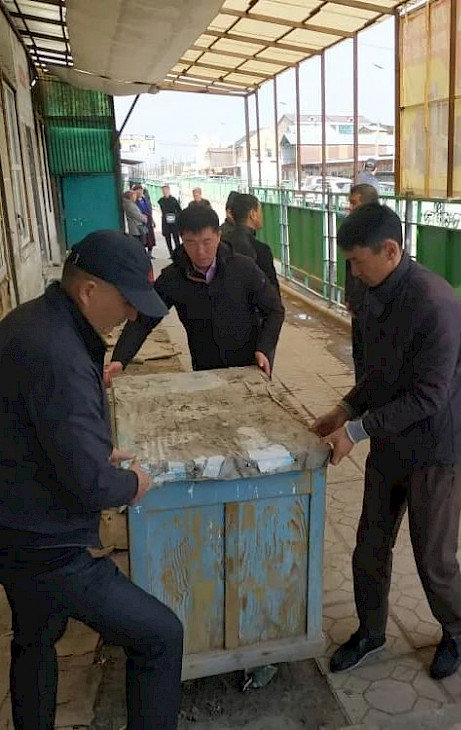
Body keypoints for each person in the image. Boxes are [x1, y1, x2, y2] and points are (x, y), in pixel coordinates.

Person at [0, 230, 183, 729]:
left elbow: (37, 426)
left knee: (35, 637)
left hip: (14, 525)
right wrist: (131, 483)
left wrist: (93, 449)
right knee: (160, 635)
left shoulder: (32, 321)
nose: (131, 314)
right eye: (126, 301)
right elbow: (94, 485)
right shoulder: (58, 353)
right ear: (88, 291)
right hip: (46, 548)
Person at [312, 203, 461, 681]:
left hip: (434, 452)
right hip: (389, 444)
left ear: (391, 250)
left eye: (358, 262)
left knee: (434, 558)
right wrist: (345, 409)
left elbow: (428, 396)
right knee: (370, 547)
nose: (352, 273)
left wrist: (355, 432)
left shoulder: (436, 305)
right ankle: (370, 632)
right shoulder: (369, 293)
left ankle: (455, 632)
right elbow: (377, 374)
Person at [108, 205, 284, 378]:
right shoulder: (173, 278)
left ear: (218, 236)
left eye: (207, 242)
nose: (200, 252)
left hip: (249, 366)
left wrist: (264, 348)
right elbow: (143, 321)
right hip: (204, 371)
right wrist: (119, 359)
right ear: (182, 239)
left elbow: (274, 310)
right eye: (191, 243)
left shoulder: (243, 268)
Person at [344, 183, 379, 381]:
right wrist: (349, 296)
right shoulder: (354, 231)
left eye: (354, 203)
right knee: (359, 357)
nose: (349, 207)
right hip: (358, 305)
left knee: (373, 360)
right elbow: (350, 268)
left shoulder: (381, 233)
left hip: (374, 306)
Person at [226, 193, 279, 292]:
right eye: (260, 211)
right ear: (252, 214)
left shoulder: (222, 243)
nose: (261, 215)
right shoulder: (261, 250)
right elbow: (272, 293)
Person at [158, 184, 183, 257]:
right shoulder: (161, 201)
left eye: (166, 190)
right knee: (167, 237)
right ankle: (171, 253)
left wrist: (178, 218)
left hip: (174, 220)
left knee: (176, 237)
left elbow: (179, 210)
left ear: (169, 190)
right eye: (163, 191)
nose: (165, 192)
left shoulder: (173, 199)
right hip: (166, 221)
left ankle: (178, 253)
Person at [133, 184, 156, 256]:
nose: (140, 192)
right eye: (138, 191)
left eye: (141, 190)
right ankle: (144, 253)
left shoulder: (145, 199)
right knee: (144, 237)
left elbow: (149, 210)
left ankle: (150, 253)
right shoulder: (134, 201)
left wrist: (152, 220)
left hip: (148, 220)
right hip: (142, 222)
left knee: (150, 236)